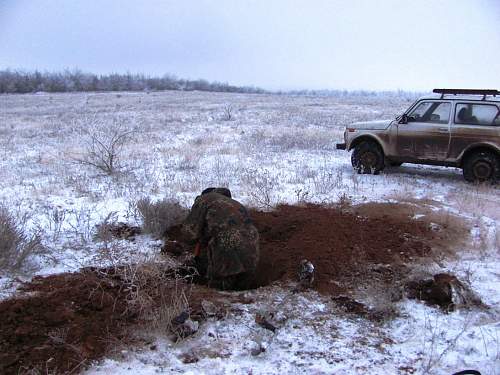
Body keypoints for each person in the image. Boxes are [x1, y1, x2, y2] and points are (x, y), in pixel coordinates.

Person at [181, 187, 259, 290]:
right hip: (252, 249)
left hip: (227, 246)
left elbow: (189, 233)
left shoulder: (204, 200)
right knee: (239, 290)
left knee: (217, 290)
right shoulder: (235, 205)